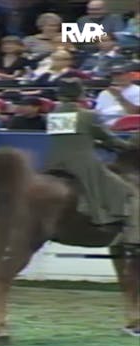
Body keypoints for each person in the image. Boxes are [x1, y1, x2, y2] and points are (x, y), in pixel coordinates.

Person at [44, 77, 138, 250]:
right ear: (80, 94)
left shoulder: (54, 115)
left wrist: (96, 143)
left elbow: (72, 137)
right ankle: (120, 226)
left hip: (56, 160)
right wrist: (127, 147)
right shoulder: (87, 115)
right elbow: (108, 138)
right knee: (122, 188)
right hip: (82, 161)